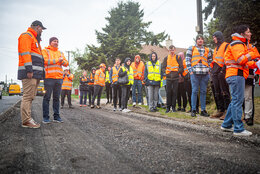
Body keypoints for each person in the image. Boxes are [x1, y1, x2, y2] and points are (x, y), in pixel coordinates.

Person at [221, 25, 258, 136]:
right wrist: (252, 54)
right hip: (236, 75)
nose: (250, 33)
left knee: (235, 101)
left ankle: (226, 124)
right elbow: (240, 59)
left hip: (235, 75)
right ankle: (238, 129)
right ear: (242, 34)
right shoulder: (238, 43)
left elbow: (242, 62)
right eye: (248, 31)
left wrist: (254, 63)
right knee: (237, 101)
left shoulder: (238, 43)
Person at [18, 20, 46, 128]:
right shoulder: (27, 36)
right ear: (37, 27)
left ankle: (27, 118)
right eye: (41, 29)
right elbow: (26, 53)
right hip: (29, 73)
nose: (42, 31)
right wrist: (29, 70)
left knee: (31, 96)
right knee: (28, 96)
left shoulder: (35, 39)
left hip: (35, 73)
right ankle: (26, 120)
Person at [42, 37, 69, 123]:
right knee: (47, 98)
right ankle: (46, 118)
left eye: (57, 41)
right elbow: (45, 61)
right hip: (49, 78)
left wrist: (62, 61)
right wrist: (58, 60)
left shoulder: (60, 52)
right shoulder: (45, 51)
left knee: (56, 98)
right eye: (54, 41)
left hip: (59, 79)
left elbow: (66, 63)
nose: (56, 43)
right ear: (50, 42)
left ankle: (56, 117)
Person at [185, 35, 212, 117]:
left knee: (203, 92)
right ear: (196, 40)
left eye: (201, 39)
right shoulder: (191, 48)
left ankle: (203, 110)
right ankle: (193, 109)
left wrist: (209, 70)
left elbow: (211, 61)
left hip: (205, 74)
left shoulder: (207, 50)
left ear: (203, 41)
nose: (200, 40)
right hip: (195, 74)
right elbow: (187, 59)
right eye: (198, 39)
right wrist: (190, 71)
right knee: (194, 91)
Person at [210, 31, 231, 120]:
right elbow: (215, 60)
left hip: (222, 72)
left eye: (215, 37)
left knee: (224, 91)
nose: (214, 39)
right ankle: (220, 110)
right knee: (217, 92)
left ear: (219, 37)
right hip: (215, 72)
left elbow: (228, 58)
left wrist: (223, 71)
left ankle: (227, 111)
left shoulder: (226, 45)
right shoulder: (216, 48)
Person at [162, 45, 183, 113]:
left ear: (175, 50)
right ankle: (168, 107)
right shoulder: (166, 58)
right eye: (170, 50)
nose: (172, 51)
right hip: (168, 78)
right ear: (169, 50)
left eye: (173, 50)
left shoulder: (178, 57)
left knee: (174, 92)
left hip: (175, 78)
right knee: (168, 92)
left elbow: (181, 67)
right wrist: (166, 73)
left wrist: (177, 72)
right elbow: (163, 67)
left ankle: (173, 107)